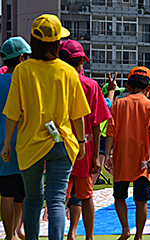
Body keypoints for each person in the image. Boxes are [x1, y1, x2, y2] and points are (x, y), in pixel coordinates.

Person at [0, 14, 91, 239]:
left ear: (34, 40)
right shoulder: (68, 72)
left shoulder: (22, 71)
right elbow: (77, 115)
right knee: (57, 200)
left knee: (32, 199)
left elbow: (13, 113)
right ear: (57, 42)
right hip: (62, 142)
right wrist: (81, 143)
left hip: (29, 143)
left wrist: (6, 144)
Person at [59, 39, 112, 240]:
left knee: (58, 196)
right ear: (81, 61)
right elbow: (97, 124)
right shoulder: (91, 85)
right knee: (85, 195)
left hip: (58, 145)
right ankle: (87, 237)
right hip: (85, 146)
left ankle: (67, 233)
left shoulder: (56, 81)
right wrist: (97, 156)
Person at [104, 66, 150, 240]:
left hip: (121, 158)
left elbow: (110, 131)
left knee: (119, 196)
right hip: (143, 159)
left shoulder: (117, 105)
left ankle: (125, 229)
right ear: (149, 88)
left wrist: (107, 156)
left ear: (128, 86)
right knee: (141, 199)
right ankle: (139, 235)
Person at [0, 36, 31, 240]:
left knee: (6, 191)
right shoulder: (27, 81)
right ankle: (14, 231)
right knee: (22, 191)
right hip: (25, 141)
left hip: (2, 142)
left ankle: (9, 233)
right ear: (21, 58)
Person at [92, 78, 126, 183]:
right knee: (96, 170)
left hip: (103, 141)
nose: (117, 98)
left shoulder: (112, 111)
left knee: (100, 169)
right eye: (116, 95)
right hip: (100, 140)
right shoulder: (104, 109)